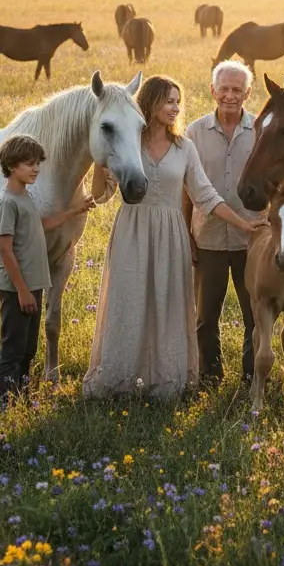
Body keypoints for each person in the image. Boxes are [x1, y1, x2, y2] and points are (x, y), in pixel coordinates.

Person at [83, 75, 264, 401]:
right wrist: (99, 162)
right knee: (130, 302)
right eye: (169, 101)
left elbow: (205, 195)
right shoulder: (129, 143)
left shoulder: (184, 147)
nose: (175, 108)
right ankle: (121, 379)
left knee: (167, 304)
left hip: (170, 235)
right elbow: (100, 195)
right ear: (150, 102)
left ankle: (165, 381)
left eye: (178, 102)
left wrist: (243, 224)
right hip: (132, 232)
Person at [0, 133, 98, 402]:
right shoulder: (6, 203)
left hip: (33, 284)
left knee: (29, 347)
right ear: (12, 166)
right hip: (18, 288)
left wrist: (75, 210)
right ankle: (5, 401)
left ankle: (22, 395)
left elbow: (40, 226)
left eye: (38, 163)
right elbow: (5, 249)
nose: (36, 169)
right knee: (13, 347)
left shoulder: (25, 197)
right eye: (29, 164)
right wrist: (22, 290)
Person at [183, 60, 261, 384]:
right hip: (208, 238)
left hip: (252, 240)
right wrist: (187, 234)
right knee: (205, 317)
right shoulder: (194, 133)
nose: (230, 95)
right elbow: (186, 189)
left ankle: (251, 377)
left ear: (247, 93)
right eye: (224, 89)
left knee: (255, 315)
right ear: (213, 90)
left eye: (237, 90)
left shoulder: (260, 130)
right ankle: (210, 377)